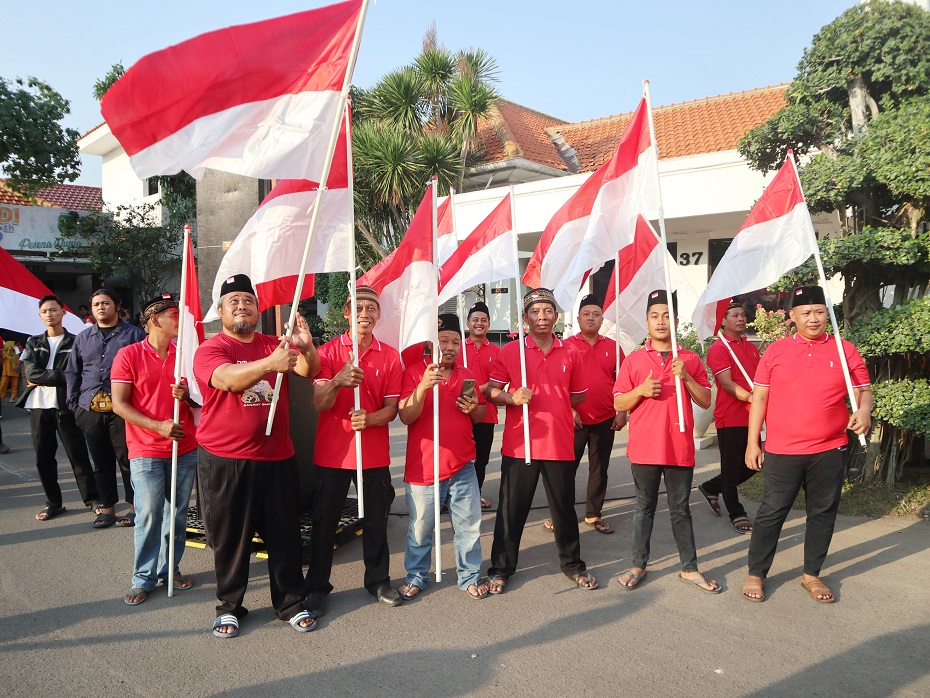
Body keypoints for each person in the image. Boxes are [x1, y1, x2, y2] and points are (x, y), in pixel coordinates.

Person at [194, 274, 319, 637]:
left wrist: (306, 347)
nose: (241, 306)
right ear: (220, 311)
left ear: (258, 309)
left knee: (285, 536)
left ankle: (291, 602)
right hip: (227, 459)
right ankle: (229, 606)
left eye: (247, 300)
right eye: (233, 301)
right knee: (231, 538)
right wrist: (269, 363)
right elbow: (228, 380)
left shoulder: (273, 343)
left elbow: (309, 370)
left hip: (277, 457)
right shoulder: (211, 349)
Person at [742, 286, 872, 604]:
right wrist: (752, 442)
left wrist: (864, 410)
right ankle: (756, 572)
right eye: (805, 313)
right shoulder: (776, 352)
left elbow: (863, 391)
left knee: (823, 512)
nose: (813, 318)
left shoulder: (845, 350)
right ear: (793, 317)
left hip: (830, 448)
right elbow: (759, 397)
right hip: (782, 449)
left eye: (818, 311)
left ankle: (812, 574)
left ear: (826, 313)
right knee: (772, 512)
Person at [484, 288, 597, 594]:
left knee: (563, 509)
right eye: (535, 312)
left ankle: (572, 564)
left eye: (548, 311)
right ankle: (501, 568)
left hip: (559, 442)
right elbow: (490, 391)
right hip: (520, 445)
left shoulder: (571, 352)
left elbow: (580, 393)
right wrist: (511, 396)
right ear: (525, 318)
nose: (542, 317)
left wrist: (558, 404)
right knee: (511, 510)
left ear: (556, 317)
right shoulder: (511, 352)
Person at [612, 290, 720, 593]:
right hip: (645, 447)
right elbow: (619, 403)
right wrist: (641, 391)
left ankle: (689, 568)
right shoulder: (634, 360)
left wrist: (685, 377)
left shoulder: (688, 359)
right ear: (646, 321)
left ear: (674, 320)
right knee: (643, 508)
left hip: (679, 446)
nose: (661, 322)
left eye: (667, 315)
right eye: (655, 316)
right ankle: (638, 564)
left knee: (680, 509)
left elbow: (705, 399)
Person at [305, 285, 404, 614]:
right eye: (358, 307)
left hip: (372, 455)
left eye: (372, 307)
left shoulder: (390, 356)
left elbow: (392, 409)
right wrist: (337, 381)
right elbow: (319, 404)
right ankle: (317, 587)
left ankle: (378, 581)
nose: (365, 312)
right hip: (332, 454)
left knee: (376, 521)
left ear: (378, 314)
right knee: (324, 524)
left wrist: (371, 418)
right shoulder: (329, 354)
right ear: (347, 313)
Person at [111, 293, 199, 606]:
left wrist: (188, 395)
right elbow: (119, 404)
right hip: (145, 448)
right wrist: (157, 426)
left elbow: (202, 401)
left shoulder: (186, 355)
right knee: (148, 514)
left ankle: (170, 569)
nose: (180, 320)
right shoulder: (128, 355)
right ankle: (143, 577)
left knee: (176, 514)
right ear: (154, 320)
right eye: (174, 314)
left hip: (185, 447)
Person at [398, 314, 489, 600]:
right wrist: (424, 386)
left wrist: (473, 406)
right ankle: (416, 575)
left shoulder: (467, 375)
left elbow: (481, 415)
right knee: (421, 530)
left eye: (453, 342)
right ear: (431, 345)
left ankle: (470, 575)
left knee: (469, 527)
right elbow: (405, 415)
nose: (448, 347)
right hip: (424, 468)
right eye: (442, 341)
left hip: (462, 465)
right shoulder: (415, 371)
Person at [66, 289, 146, 529]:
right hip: (89, 408)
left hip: (123, 408)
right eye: (96, 304)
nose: (101, 307)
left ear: (117, 306)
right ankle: (108, 508)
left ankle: (133, 508)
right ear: (91, 309)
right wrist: (74, 403)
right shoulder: (82, 337)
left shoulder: (134, 335)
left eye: (106, 303)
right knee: (100, 461)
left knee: (127, 459)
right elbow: (72, 371)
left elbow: (143, 371)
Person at [16, 295, 99, 520]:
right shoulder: (33, 342)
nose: (49, 314)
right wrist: (62, 376)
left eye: (54, 310)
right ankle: (53, 503)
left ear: (63, 312)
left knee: (77, 454)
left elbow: (78, 375)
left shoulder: (76, 342)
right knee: (43, 457)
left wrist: (46, 377)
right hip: (38, 406)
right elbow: (30, 372)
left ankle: (92, 499)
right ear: (40, 315)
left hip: (67, 406)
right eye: (45, 311)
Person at [558, 294, 626, 534]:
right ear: (578, 319)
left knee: (600, 468)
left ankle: (593, 513)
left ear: (602, 319)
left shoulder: (612, 347)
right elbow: (558, 383)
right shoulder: (566, 347)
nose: (591, 318)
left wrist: (622, 411)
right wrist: (570, 408)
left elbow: (623, 382)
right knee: (566, 470)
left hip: (605, 418)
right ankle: (561, 516)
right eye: (586, 314)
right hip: (573, 420)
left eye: (596, 314)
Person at [696, 301, 761, 535]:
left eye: (743, 314)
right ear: (723, 321)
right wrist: (753, 399)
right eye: (734, 315)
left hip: (753, 416)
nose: (741, 319)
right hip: (731, 417)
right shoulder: (720, 348)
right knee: (732, 467)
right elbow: (726, 383)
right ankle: (736, 512)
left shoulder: (751, 347)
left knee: (755, 463)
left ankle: (710, 487)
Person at [458, 301, 500, 509]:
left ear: (489, 325)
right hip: (458, 413)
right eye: (475, 319)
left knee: (480, 459)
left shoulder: (496, 351)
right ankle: (452, 496)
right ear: (468, 323)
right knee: (457, 457)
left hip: (486, 414)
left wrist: (475, 391)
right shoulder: (458, 348)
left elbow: (497, 381)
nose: (479, 323)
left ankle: (475, 495)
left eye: (484, 320)